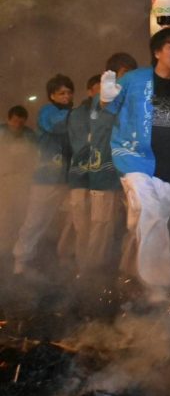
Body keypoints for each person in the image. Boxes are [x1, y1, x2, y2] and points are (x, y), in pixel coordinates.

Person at [102, 30, 170, 304]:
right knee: (150, 214)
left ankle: (128, 273)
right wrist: (106, 95)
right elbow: (109, 106)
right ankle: (158, 286)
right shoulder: (135, 78)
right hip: (134, 158)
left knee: (147, 222)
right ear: (156, 52)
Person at [13, 74, 74, 275]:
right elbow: (56, 125)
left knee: (73, 220)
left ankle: (66, 257)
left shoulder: (72, 114)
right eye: (61, 93)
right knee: (36, 220)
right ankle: (21, 261)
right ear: (52, 96)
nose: (66, 96)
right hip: (45, 178)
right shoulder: (48, 111)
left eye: (69, 92)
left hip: (66, 179)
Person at [84, 52, 138, 275]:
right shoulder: (102, 100)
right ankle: (91, 275)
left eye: (132, 74)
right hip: (105, 173)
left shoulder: (133, 99)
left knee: (135, 224)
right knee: (102, 227)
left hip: (127, 172)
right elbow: (107, 105)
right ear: (112, 76)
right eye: (125, 74)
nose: (129, 79)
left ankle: (128, 273)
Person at [57, 74, 101, 270]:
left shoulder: (111, 112)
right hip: (81, 176)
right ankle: (82, 268)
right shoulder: (78, 114)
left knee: (97, 224)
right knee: (82, 224)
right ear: (90, 91)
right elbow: (82, 145)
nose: (103, 94)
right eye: (98, 90)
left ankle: (89, 264)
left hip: (103, 179)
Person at [0, 106, 37, 258]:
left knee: (21, 213)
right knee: (4, 214)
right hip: (4, 179)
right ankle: (3, 246)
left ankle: (17, 245)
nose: (17, 126)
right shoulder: (1, 132)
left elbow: (36, 156)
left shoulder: (29, 135)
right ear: (9, 120)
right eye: (14, 122)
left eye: (21, 123)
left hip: (23, 180)